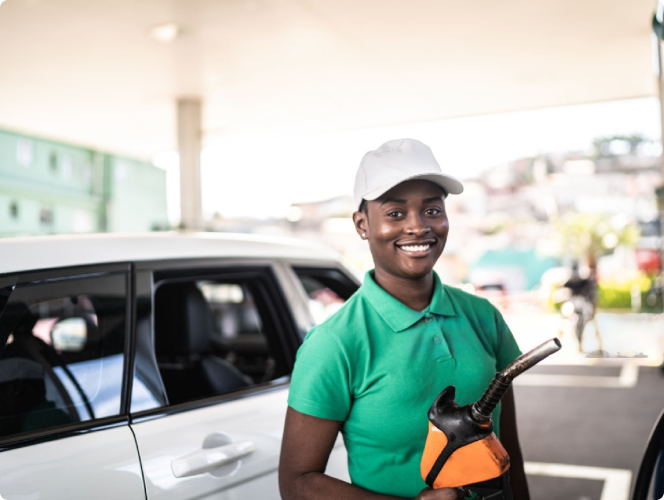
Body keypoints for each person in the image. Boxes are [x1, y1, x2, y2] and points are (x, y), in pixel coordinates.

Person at [279, 139, 530, 500]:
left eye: (431, 210)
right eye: (395, 213)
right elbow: (296, 482)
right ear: (362, 225)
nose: (418, 227)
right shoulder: (334, 343)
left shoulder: (484, 317)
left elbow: (508, 452)